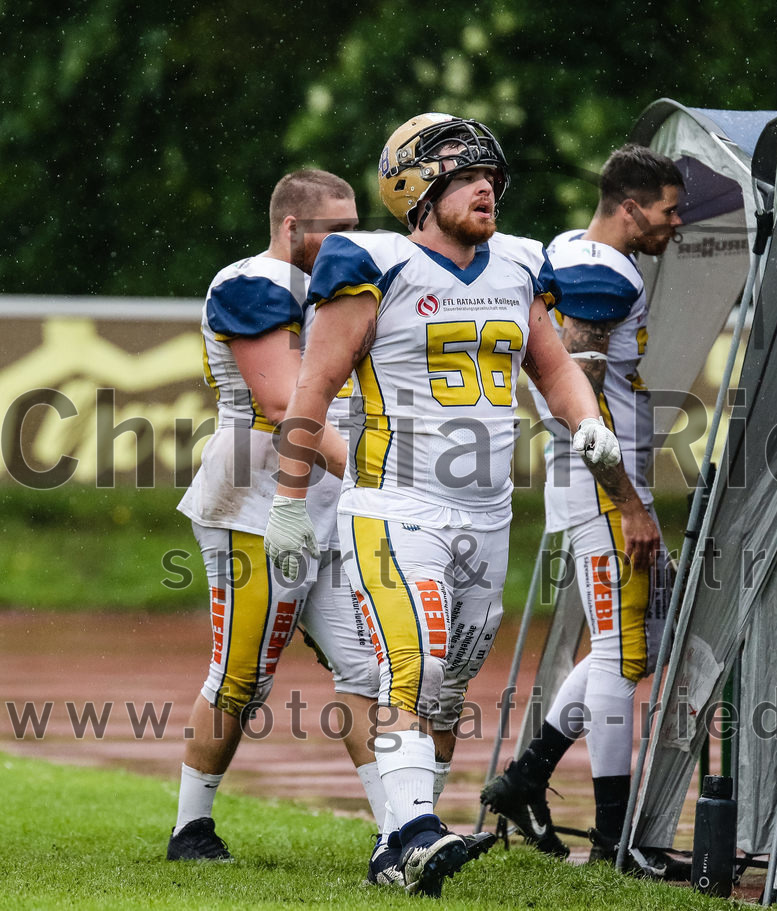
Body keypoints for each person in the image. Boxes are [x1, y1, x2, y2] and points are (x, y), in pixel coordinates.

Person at [263, 113, 621, 896]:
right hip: (396, 505)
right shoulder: (375, 265)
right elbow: (311, 391)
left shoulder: (520, 267)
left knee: (449, 688)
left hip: (487, 516)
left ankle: (398, 842)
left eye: (491, 175)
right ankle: (417, 831)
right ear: (415, 190)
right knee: (412, 660)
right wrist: (291, 502)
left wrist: (589, 423)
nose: (486, 187)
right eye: (465, 176)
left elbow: (553, 367)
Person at [167, 170, 388, 864]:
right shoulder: (250, 284)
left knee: (364, 667)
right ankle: (190, 828)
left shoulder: (342, 285)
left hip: (322, 502)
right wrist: (373, 473)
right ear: (292, 227)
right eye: (337, 227)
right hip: (255, 500)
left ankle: (400, 826)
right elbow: (286, 403)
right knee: (242, 672)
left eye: (357, 225)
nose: (351, 240)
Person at [480, 144, 686, 872]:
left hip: (602, 484)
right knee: (625, 655)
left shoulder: (570, 248)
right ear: (629, 207)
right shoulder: (599, 269)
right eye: (667, 209)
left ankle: (526, 776)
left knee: (636, 643)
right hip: (601, 484)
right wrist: (627, 502)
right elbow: (583, 405)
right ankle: (612, 842)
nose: (676, 223)